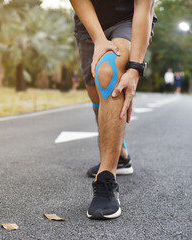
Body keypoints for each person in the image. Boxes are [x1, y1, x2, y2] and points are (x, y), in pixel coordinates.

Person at [69, 0, 157, 219]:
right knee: (95, 93)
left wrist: (135, 68)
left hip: (128, 20)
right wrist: (99, 39)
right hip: (89, 25)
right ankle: (121, 155)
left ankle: (107, 178)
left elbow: (144, 8)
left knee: (108, 73)